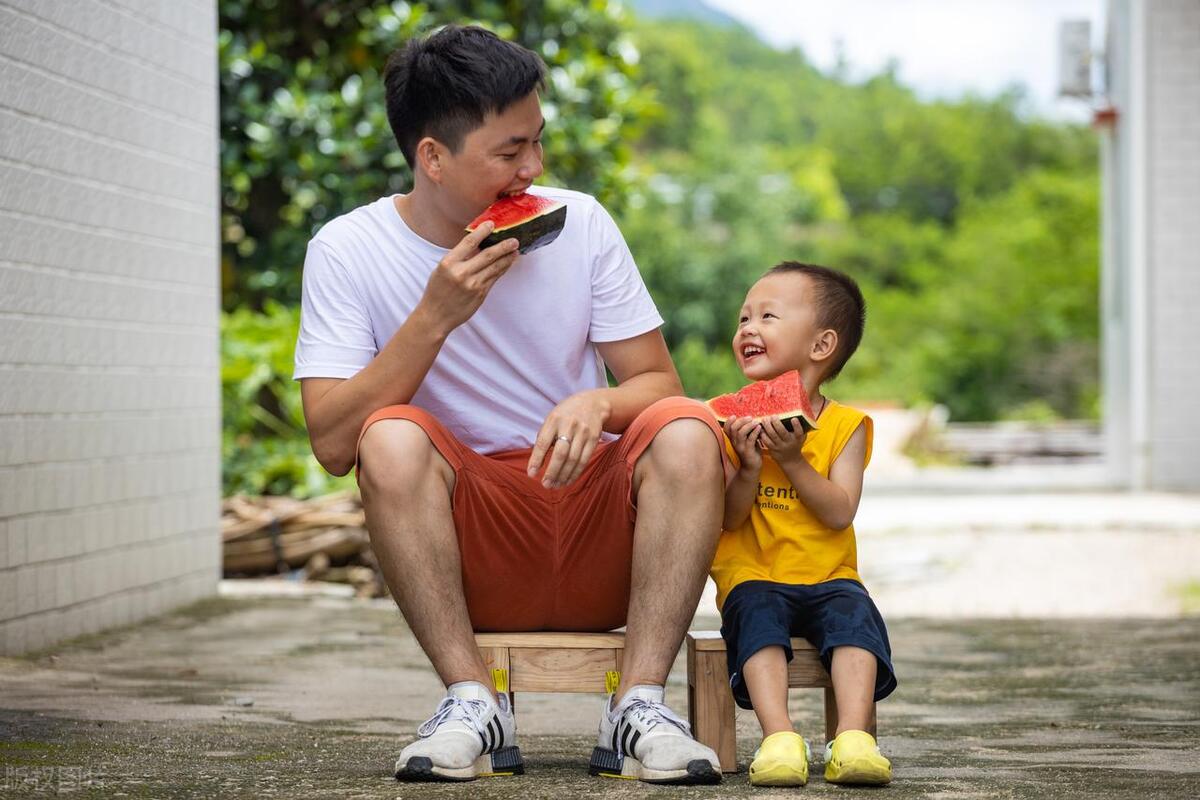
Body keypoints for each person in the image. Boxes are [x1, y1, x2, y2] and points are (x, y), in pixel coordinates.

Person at [292, 25, 727, 785]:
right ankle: (471, 701)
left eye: (538, 141)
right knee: (389, 437)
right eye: (510, 151)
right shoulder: (346, 249)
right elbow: (333, 444)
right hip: (473, 547)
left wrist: (598, 401)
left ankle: (640, 707)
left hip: (600, 527)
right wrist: (433, 317)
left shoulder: (582, 223)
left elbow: (660, 385)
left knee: (688, 430)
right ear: (432, 156)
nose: (536, 167)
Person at [711, 262, 896, 787]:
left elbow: (839, 511)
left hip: (828, 576)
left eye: (767, 316)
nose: (747, 327)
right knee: (757, 617)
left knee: (856, 619)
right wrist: (748, 466)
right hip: (752, 575)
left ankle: (855, 738)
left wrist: (792, 460)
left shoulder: (846, 426)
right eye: (744, 317)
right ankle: (779, 737)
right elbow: (728, 516)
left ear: (821, 345)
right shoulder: (724, 421)